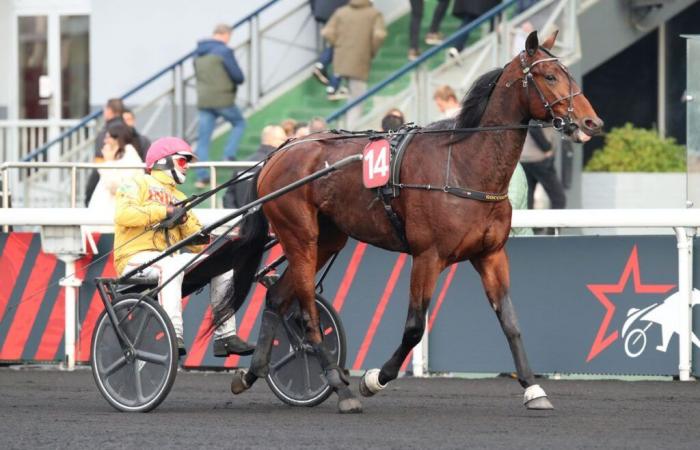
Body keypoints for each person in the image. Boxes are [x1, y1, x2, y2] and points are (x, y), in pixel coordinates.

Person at [114, 137, 255, 357]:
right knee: (169, 266)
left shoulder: (180, 196)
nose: (187, 167)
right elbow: (123, 215)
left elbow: (195, 241)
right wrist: (165, 212)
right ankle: (173, 333)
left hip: (167, 260)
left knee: (222, 266)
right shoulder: (137, 183)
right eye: (183, 161)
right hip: (133, 258)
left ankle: (225, 337)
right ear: (164, 162)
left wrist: (222, 242)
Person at [194, 23, 247, 189]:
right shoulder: (224, 51)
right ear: (225, 34)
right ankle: (228, 155)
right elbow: (238, 76)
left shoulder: (198, 52)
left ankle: (201, 176)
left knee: (203, 140)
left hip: (204, 100)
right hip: (223, 99)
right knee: (239, 123)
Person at [321, 0, 387, 125]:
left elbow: (326, 32)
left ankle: (344, 130)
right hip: (360, 60)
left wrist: (338, 44)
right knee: (356, 100)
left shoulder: (341, 12)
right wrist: (371, 50)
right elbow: (379, 35)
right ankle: (352, 130)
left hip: (340, 60)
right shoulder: (374, 14)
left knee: (346, 96)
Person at [88, 122, 143, 224]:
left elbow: (117, 187)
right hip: (106, 222)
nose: (105, 141)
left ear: (117, 138)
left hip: (112, 223)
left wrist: (108, 162)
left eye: (108, 137)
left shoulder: (130, 158)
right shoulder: (121, 157)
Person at [223, 125, 287, 209]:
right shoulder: (278, 164)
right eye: (283, 139)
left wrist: (237, 219)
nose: (286, 143)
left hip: (240, 218)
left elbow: (228, 196)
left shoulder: (242, 164)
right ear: (273, 140)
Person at [519, 125, 566, 227]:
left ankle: (530, 231)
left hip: (526, 159)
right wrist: (547, 148)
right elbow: (534, 127)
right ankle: (552, 232)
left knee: (528, 199)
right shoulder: (542, 110)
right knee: (558, 198)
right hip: (539, 159)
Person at [85, 98, 127, 205]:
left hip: (108, 176)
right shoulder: (129, 130)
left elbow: (100, 159)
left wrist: (89, 191)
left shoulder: (109, 131)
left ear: (109, 110)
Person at [310, 0, 348, 85]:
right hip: (338, 10)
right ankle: (322, 66)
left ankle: (322, 66)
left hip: (321, 10)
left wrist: (315, 10)